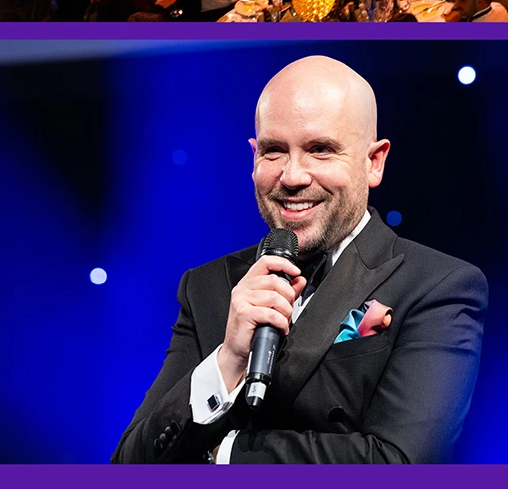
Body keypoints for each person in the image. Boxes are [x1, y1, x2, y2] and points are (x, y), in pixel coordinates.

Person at [112, 56, 486, 462]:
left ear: (373, 162)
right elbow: (131, 463)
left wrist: (224, 453)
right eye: (274, 151)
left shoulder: (438, 284)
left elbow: (401, 463)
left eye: (320, 150)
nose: (292, 176)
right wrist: (228, 360)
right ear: (254, 156)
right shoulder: (207, 286)